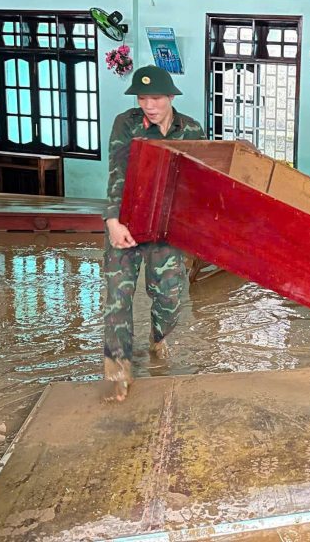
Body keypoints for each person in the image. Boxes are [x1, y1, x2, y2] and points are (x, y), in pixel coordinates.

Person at [103, 65, 205, 402]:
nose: (149, 105)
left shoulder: (190, 129)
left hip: (166, 227)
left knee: (169, 296)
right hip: (127, 221)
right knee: (118, 297)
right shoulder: (126, 123)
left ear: (171, 96)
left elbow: (197, 182)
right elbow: (117, 171)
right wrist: (112, 221)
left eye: (156, 98)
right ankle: (119, 371)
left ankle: (158, 337)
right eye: (143, 97)